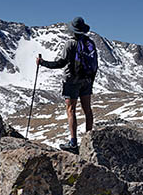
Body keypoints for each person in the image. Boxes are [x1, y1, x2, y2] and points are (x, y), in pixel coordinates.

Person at [37, 16, 98, 150]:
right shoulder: (90, 43)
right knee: (87, 110)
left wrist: (42, 63)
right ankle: (89, 141)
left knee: (71, 110)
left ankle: (73, 142)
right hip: (86, 81)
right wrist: (90, 82)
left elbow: (61, 63)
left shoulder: (70, 43)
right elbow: (95, 65)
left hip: (71, 81)